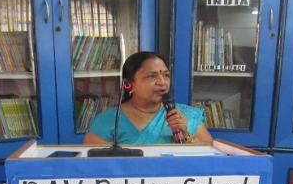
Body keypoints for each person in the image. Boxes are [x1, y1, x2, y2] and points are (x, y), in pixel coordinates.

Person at [83, 51, 213, 145]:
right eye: (151, 76)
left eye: (166, 75)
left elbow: (212, 158)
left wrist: (186, 135)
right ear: (129, 84)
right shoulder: (110, 120)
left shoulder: (186, 115)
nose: (162, 82)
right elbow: (93, 166)